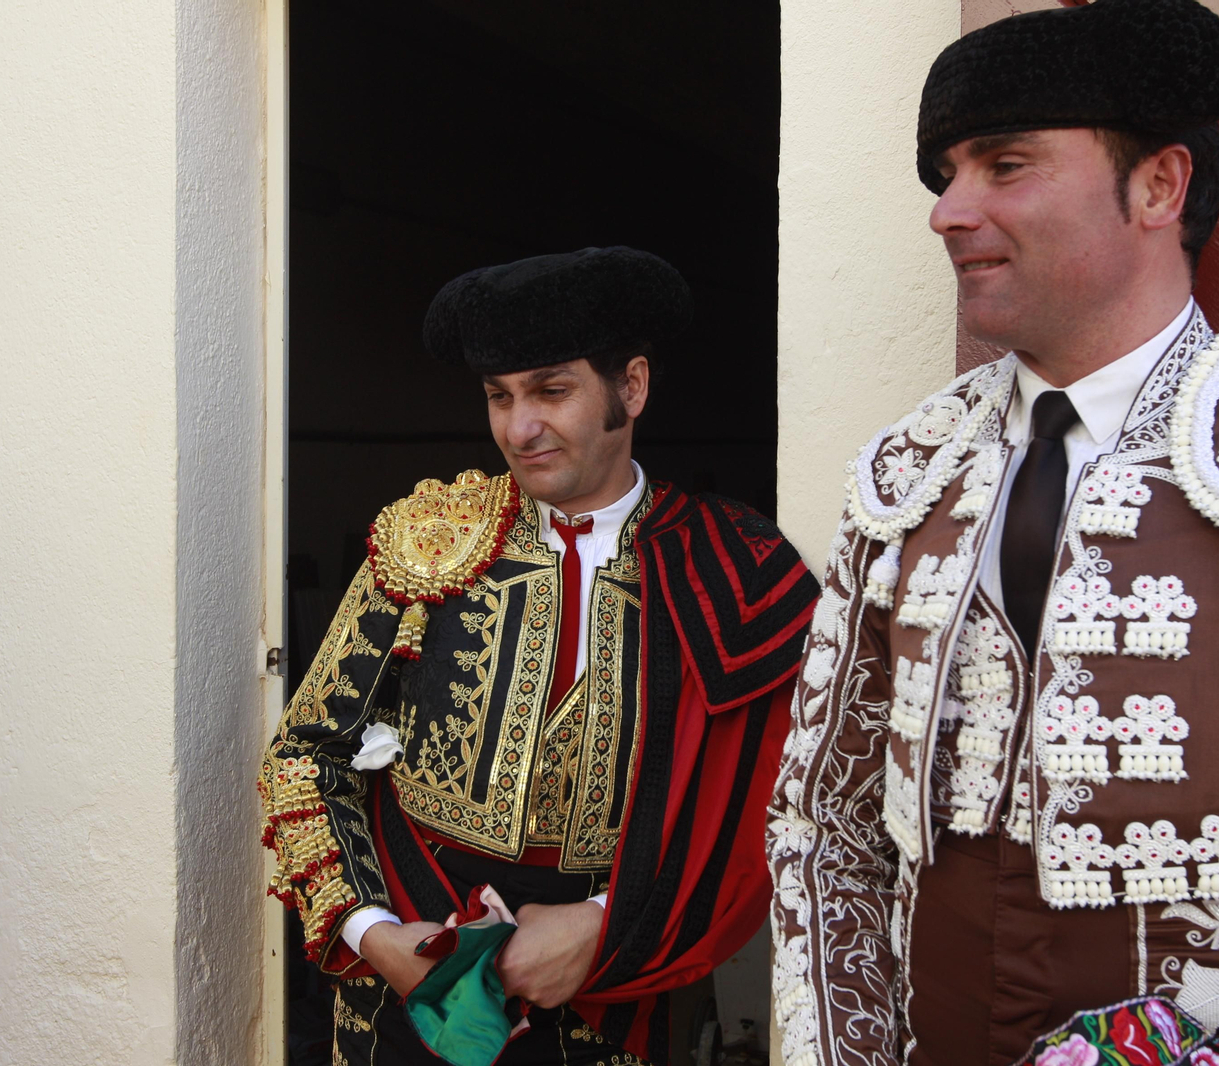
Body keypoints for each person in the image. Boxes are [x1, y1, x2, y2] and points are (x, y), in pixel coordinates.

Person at [769, 1, 1219, 1062]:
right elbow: (822, 827)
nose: (947, 212)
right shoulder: (907, 470)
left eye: (1004, 165)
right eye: (947, 176)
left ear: (1158, 187)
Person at [261, 246, 818, 1066]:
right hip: (408, 981)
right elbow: (307, 757)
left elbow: (781, 802)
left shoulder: (736, 565)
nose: (519, 429)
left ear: (632, 387)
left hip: (611, 993)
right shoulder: (430, 538)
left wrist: (602, 923)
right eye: (500, 396)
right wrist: (373, 932)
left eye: (551, 391)